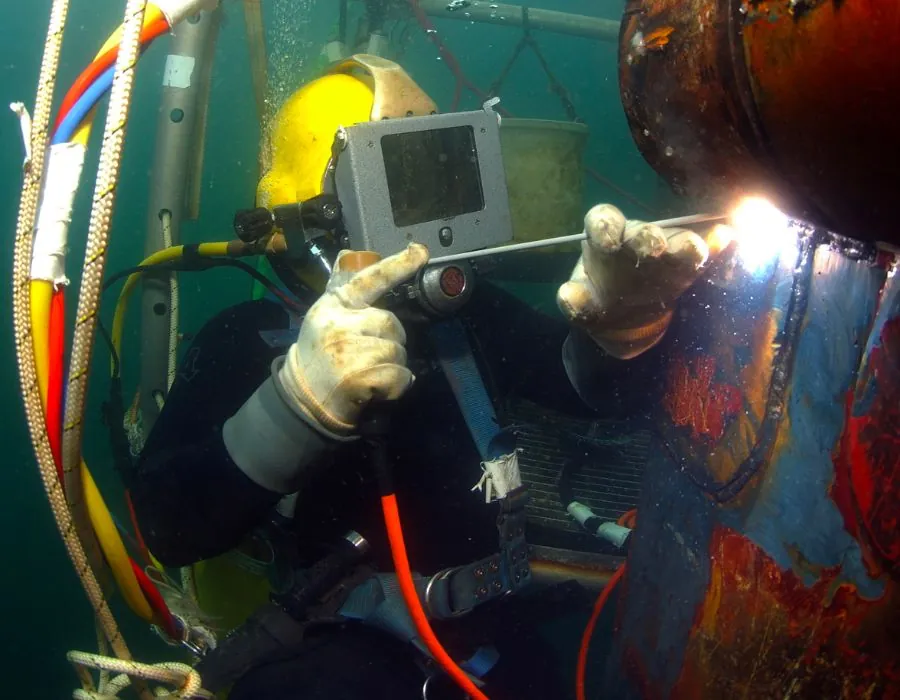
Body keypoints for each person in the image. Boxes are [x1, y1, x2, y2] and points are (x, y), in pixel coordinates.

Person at [128, 54, 900, 699]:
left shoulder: (461, 313)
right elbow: (166, 522)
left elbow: (584, 391)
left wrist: (622, 329)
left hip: (495, 630)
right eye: (404, 171)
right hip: (337, 644)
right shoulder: (249, 338)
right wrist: (292, 406)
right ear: (315, 208)